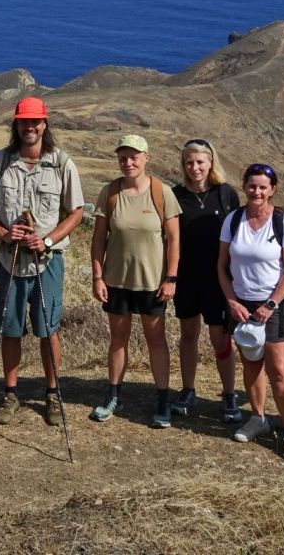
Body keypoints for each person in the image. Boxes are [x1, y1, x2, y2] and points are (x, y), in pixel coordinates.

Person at [0, 97, 85, 427]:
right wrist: (3, 233)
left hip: (47, 262)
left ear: (45, 123)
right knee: (10, 329)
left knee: (47, 329)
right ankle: (10, 392)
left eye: (35, 121)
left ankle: (52, 393)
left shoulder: (62, 164)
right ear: (16, 125)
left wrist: (47, 239)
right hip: (10, 261)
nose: (30, 127)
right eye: (24, 121)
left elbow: (76, 212)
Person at [89, 135, 182, 428]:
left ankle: (163, 401)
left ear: (146, 158)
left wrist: (171, 279)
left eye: (134, 157)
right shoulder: (110, 192)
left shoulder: (161, 192)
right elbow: (98, 240)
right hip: (116, 281)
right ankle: (113, 395)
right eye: (123, 158)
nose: (128, 163)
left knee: (157, 341)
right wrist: (97, 276)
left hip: (152, 283)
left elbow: (174, 238)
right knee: (117, 340)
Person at [218, 164, 284, 459]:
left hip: (274, 304)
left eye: (263, 187)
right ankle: (258, 418)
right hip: (242, 304)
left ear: (273, 190)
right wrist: (232, 300)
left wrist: (271, 304)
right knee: (251, 364)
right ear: (244, 186)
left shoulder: (283, 221)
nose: (257, 192)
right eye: (252, 186)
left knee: (279, 371)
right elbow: (222, 266)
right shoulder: (233, 219)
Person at [170, 138, 243, 422]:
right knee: (188, 336)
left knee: (220, 338)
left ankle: (229, 393)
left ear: (211, 162)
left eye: (200, 162)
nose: (194, 168)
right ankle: (188, 389)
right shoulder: (175, 195)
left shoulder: (226, 194)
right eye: (189, 162)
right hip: (187, 278)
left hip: (219, 280)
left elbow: (238, 237)